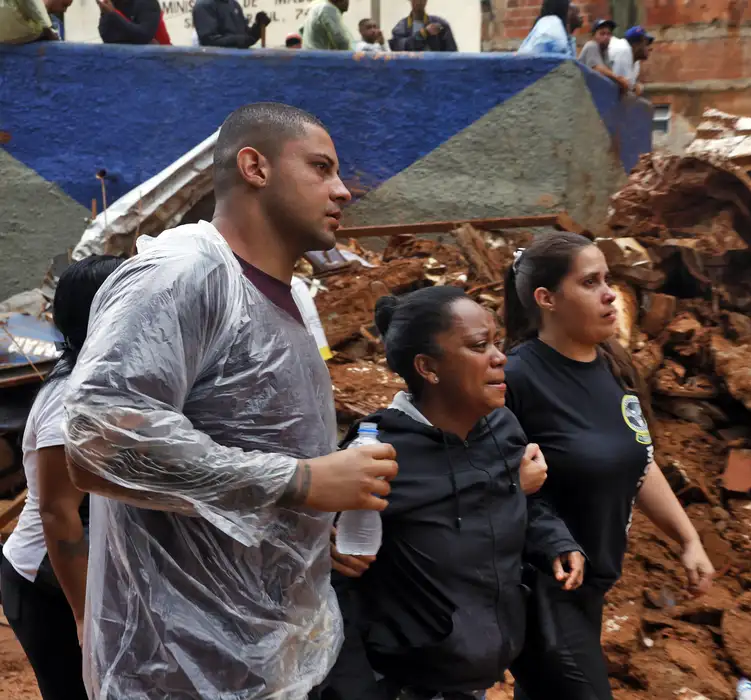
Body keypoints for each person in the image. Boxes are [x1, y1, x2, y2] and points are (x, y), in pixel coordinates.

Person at [62, 102, 400, 699]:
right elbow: (102, 434)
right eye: (321, 168)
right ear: (254, 166)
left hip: (266, 652)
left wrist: (312, 516)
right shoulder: (184, 272)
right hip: (177, 665)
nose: (343, 191)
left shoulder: (288, 296)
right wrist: (298, 482)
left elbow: (250, 447)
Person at [316, 287, 585, 700]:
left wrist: (553, 540)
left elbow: (520, 497)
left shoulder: (501, 428)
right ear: (428, 367)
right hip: (404, 685)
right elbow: (337, 584)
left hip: (475, 678)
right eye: (479, 346)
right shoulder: (378, 455)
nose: (500, 358)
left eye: (497, 342)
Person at [503, 232, 716, 700]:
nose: (610, 294)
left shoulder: (612, 367)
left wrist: (688, 538)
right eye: (590, 282)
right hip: (538, 589)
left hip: (591, 584)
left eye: (609, 280)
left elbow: (638, 462)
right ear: (547, 299)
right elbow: (489, 477)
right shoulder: (516, 378)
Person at [0, 255, 124, 700]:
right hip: (46, 580)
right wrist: (85, 616)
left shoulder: (109, 380)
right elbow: (58, 513)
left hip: (79, 570)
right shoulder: (72, 398)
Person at [578, 18, 631, 93]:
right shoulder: (591, 45)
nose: (606, 37)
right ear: (593, 36)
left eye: (609, 34)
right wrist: (620, 80)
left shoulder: (605, 52)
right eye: (602, 34)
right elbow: (598, 69)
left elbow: (609, 75)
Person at [192, 0, 269, 48]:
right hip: (216, 66)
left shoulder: (234, 4)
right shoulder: (204, 5)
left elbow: (247, 38)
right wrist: (238, 40)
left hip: (239, 64)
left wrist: (258, 27)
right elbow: (209, 41)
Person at [389, 0, 455, 52]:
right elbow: (399, 48)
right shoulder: (401, 27)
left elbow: (451, 53)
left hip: (435, 68)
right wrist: (423, 33)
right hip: (410, 68)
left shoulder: (441, 24)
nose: (419, 2)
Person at [96, 0, 170, 44]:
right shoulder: (112, 3)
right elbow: (106, 36)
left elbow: (144, 36)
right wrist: (106, 14)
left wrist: (114, 15)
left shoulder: (147, 2)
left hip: (164, 60)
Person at [609, 25, 653, 96]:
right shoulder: (623, 49)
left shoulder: (636, 63)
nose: (650, 48)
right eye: (646, 44)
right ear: (636, 45)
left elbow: (629, 86)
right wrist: (634, 88)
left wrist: (635, 86)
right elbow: (620, 86)